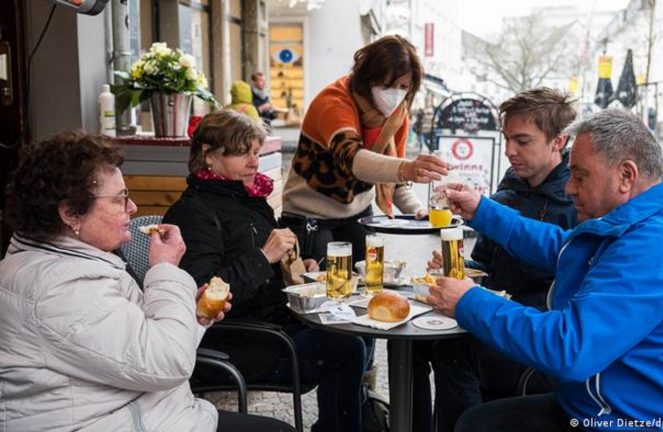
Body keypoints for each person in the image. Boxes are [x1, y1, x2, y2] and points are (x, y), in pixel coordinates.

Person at [428, 109, 663, 431]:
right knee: (478, 422)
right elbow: (560, 246)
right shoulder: (637, 220)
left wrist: (469, 301)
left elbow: (570, 348)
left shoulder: (658, 246)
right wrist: (481, 209)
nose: (569, 188)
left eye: (580, 175)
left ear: (626, 176)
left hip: (650, 419)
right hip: (603, 406)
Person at [0, 130, 294, 431]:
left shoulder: (70, 264)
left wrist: (191, 313)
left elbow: (137, 345)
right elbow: (168, 362)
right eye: (119, 199)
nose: (132, 208)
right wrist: (165, 270)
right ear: (71, 213)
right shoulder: (57, 289)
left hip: (148, 413)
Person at [163, 111, 367, 432]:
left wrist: (300, 269)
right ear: (209, 155)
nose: (254, 162)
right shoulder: (193, 212)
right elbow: (203, 298)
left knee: (353, 329)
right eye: (243, 152)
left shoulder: (246, 198)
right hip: (237, 344)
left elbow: (265, 266)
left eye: (256, 152)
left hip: (270, 326)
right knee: (347, 349)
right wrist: (264, 256)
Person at [417, 88, 579, 432]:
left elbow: (565, 273)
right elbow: (485, 266)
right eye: (506, 140)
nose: (509, 151)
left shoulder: (577, 201)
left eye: (522, 141)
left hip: (533, 334)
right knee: (420, 342)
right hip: (490, 316)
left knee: (452, 350)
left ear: (558, 142)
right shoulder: (509, 189)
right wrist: (458, 269)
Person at [280, 35, 447, 264]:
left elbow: (391, 174)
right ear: (367, 77)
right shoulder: (333, 102)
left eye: (403, 87)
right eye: (387, 85)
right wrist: (407, 168)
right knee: (322, 290)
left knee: (369, 282)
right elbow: (354, 159)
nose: (395, 94)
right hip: (310, 217)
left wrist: (418, 211)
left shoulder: (397, 116)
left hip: (357, 216)